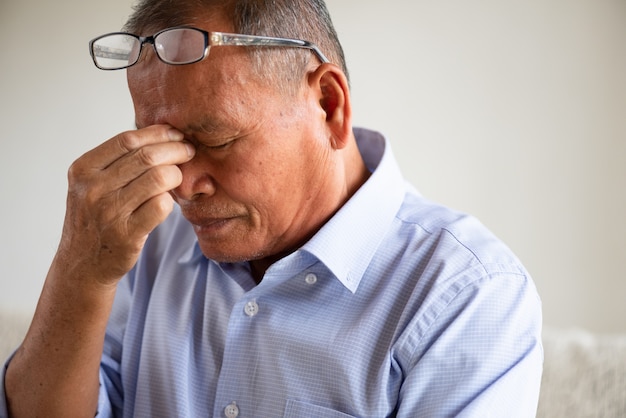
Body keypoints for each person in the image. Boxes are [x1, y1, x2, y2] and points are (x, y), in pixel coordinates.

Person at [1, 0, 543, 417]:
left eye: (213, 140)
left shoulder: (468, 298)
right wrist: (81, 267)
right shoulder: (145, 240)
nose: (180, 185)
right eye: (159, 145)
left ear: (330, 106)